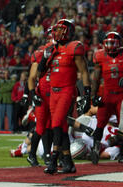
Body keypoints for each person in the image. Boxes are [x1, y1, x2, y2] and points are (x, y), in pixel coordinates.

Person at [36, 19, 92, 174]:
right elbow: (40, 74)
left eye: (61, 29)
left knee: (56, 125)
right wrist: (43, 59)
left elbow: (85, 71)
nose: (57, 32)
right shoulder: (51, 49)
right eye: (57, 29)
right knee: (60, 127)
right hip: (53, 92)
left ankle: (54, 160)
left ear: (68, 31)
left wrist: (87, 94)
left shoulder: (75, 47)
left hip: (67, 90)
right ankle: (68, 163)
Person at [90, 32, 123, 164]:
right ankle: (95, 148)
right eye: (108, 43)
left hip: (122, 95)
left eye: (113, 43)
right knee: (100, 123)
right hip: (107, 95)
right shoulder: (100, 56)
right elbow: (96, 79)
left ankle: (122, 153)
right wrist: (93, 96)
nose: (110, 46)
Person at [20, 27, 54, 167]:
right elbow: (32, 77)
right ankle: (33, 154)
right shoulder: (41, 52)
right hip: (42, 94)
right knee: (41, 127)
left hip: (55, 93)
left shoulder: (62, 51)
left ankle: (47, 155)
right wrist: (31, 94)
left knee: (52, 126)